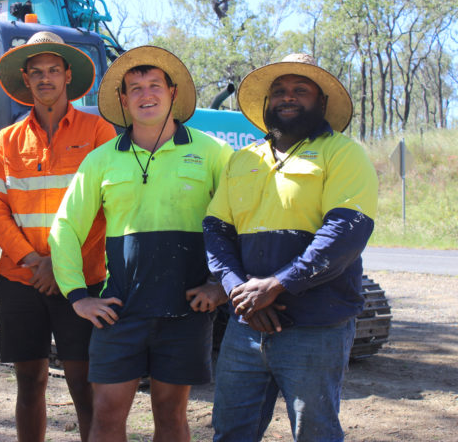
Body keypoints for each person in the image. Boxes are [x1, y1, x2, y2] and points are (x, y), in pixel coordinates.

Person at [188, 53, 379, 441]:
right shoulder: (242, 159)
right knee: (230, 431)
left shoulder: (342, 153)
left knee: (315, 433)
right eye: (279, 91)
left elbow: (345, 232)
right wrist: (241, 292)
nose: (287, 97)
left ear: (321, 102)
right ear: (266, 102)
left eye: (300, 90)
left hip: (316, 327)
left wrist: (275, 285)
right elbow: (215, 228)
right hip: (245, 327)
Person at [49, 46, 233, 442]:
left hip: (187, 309)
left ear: (172, 93)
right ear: (122, 99)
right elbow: (64, 227)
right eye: (134, 88)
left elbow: (239, 222)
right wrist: (78, 295)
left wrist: (222, 286)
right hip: (120, 311)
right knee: (107, 414)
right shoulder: (101, 160)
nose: (145, 94)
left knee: (171, 415)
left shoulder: (213, 152)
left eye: (154, 85)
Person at [0, 31, 116, 442]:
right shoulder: (5, 142)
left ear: (67, 76)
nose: (45, 79)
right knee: (29, 381)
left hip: (81, 280)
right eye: (37, 72)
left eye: (53, 71)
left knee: (82, 380)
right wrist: (31, 260)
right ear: (26, 79)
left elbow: (107, 210)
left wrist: (62, 265)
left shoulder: (99, 132)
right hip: (22, 279)